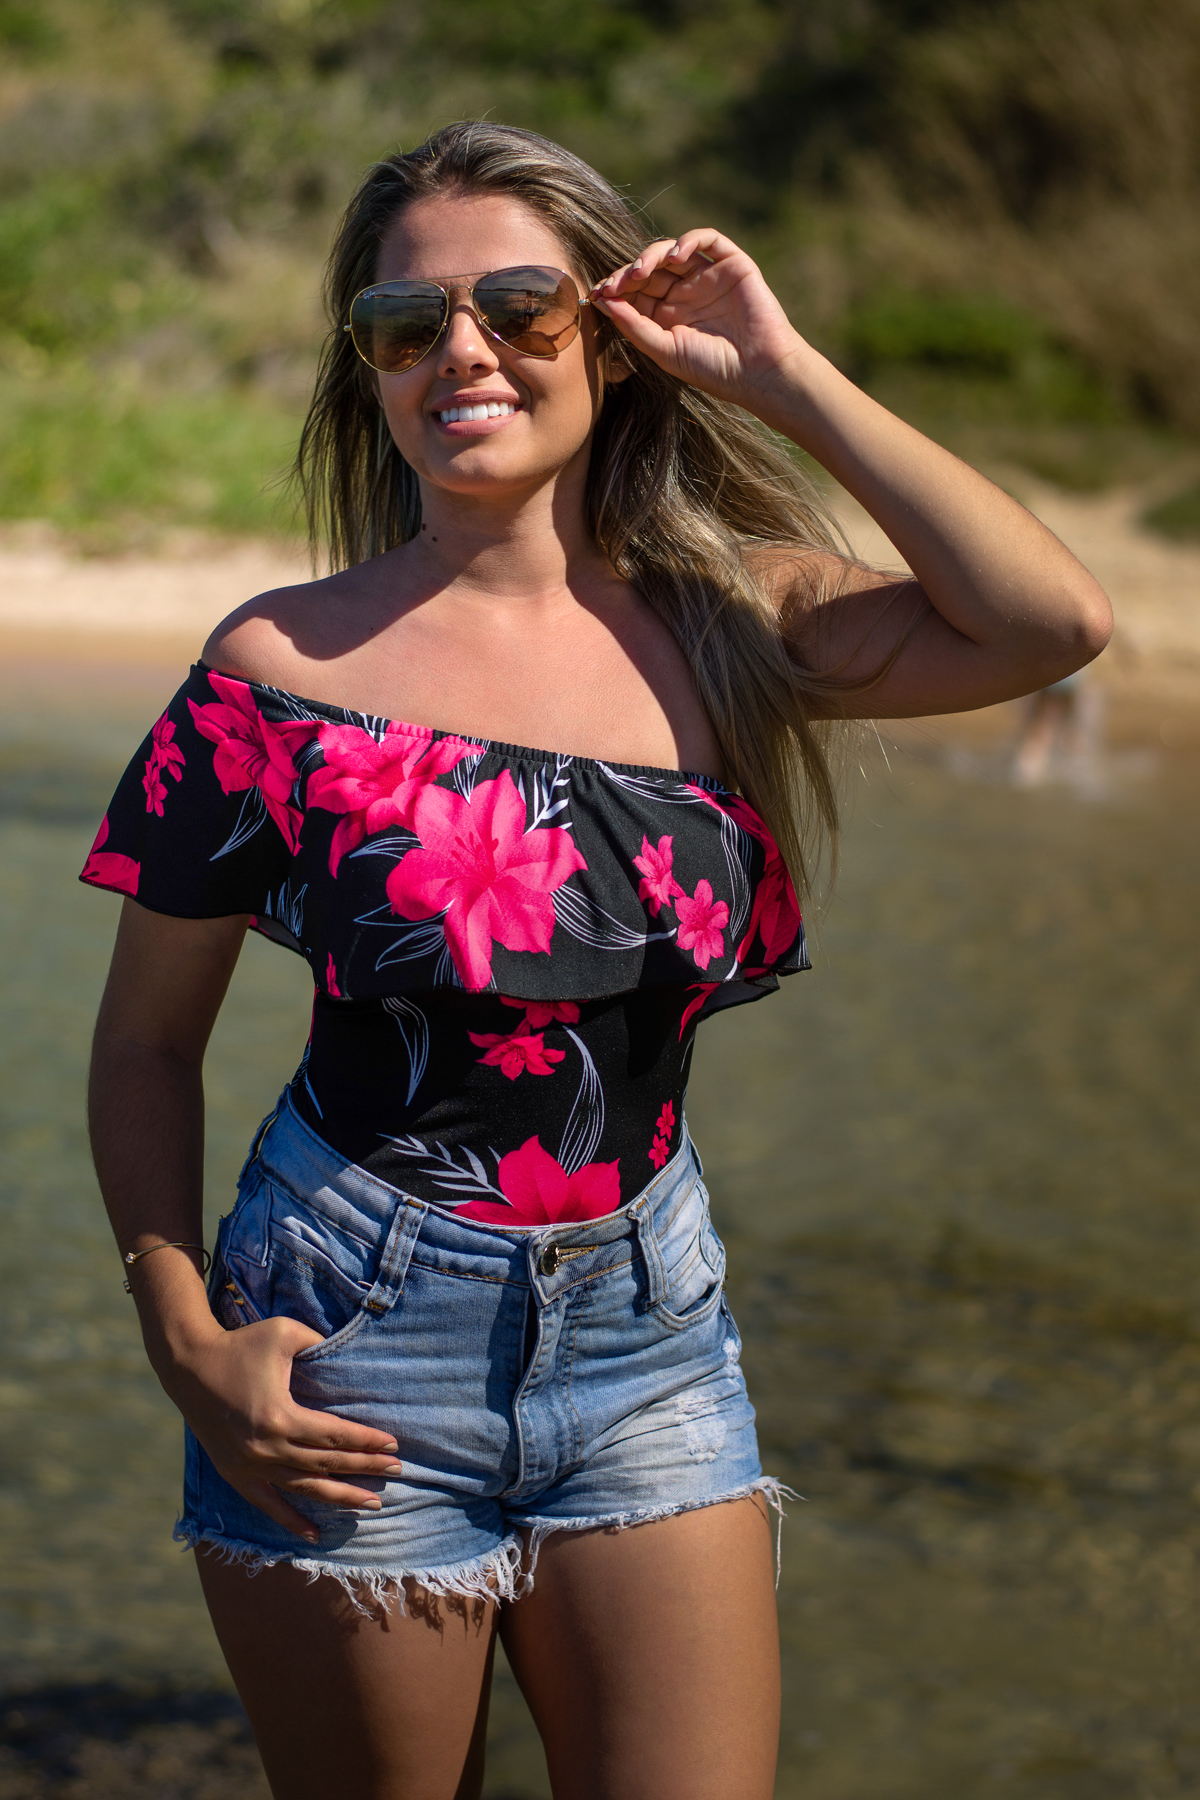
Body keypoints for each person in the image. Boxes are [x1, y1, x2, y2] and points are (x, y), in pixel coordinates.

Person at [82, 122, 1111, 1800]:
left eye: (519, 306)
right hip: (348, 1331)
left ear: (612, 344)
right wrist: (181, 1338)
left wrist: (781, 374)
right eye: (406, 326)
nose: (462, 352)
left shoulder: (735, 624)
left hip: (648, 1334)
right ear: (370, 377)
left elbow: (1047, 623)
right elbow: (143, 1045)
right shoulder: (278, 671)